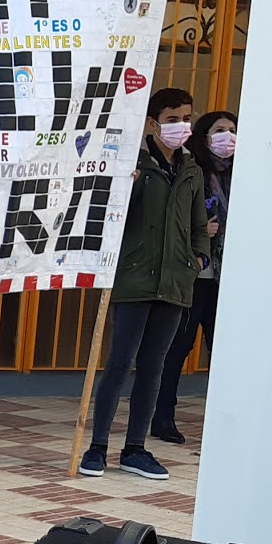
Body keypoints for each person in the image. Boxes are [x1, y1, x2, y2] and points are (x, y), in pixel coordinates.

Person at [79, 87, 210, 482]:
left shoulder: (192, 169)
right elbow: (107, 215)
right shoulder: (132, 164)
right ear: (153, 123)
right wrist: (127, 186)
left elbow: (198, 225)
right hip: (134, 277)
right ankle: (97, 447)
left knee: (154, 367)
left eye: (186, 118)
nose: (181, 126)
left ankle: (135, 448)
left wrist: (197, 259)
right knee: (119, 364)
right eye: (172, 120)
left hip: (175, 281)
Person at [150, 110, 235, 444]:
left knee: (224, 351)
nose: (227, 137)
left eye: (232, 130)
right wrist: (201, 231)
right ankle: (162, 417)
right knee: (178, 349)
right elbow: (175, 218)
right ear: (204, 136)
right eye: (220, 130)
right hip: (195, 275)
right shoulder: (192, 171)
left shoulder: (242, 173)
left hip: (228, 278)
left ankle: (223, 422)